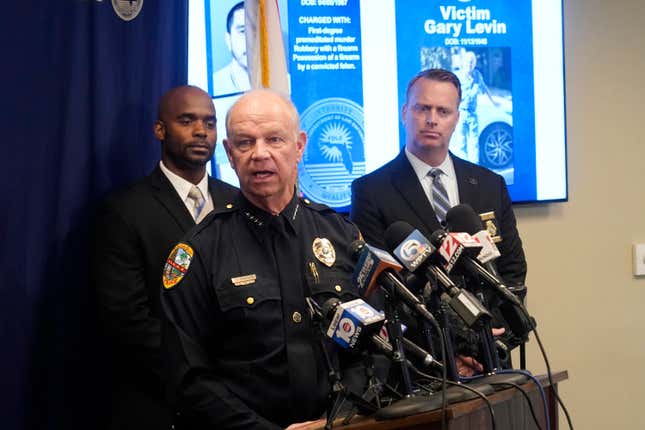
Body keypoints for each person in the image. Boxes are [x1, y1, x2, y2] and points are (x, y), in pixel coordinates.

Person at [160, 89, 365, 429]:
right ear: (228, 152)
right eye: (244, 143)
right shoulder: (200, 251)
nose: (259, 154)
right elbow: (189, 378)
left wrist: (338, 421)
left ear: (299, 146)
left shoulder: (343, 236)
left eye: (274, 140)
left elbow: (375, 345)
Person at [350, 69, 526, 373]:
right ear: (406, 113)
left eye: (443, 111)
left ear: (456, 118)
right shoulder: (371, 191)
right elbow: (381, 289)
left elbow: (511, 269)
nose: (432, 119)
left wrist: (489, 337)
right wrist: (447, 351)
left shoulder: (489, 184)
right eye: (423, 108)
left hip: (492, 357)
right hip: (424, 367)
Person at [92, 85, 239, 430]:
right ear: (160, 129)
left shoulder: (237, 202)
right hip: (163, 398)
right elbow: (126, 319)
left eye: (209, 122)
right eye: (187, 120)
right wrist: (203, 368)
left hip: (242, 394)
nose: (201, 131)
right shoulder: (125, 210)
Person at [453, 50, 500, 163]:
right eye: (468, 62)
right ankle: (463, 171)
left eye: (472, 62)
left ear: (474, 63)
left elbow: (484, 88)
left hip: (473, 114)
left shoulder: (477, 75)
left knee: (474, 144)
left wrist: (493, 101)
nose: (469, 64)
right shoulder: (458, 77)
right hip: (461, 114)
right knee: (461, 144)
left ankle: (474, 170)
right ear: (463, 63)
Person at [212, 2, 251, 96]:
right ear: (228, 40)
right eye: (243, 31)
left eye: (257, 31)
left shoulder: (286, 82)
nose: (250, 40)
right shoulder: (214, 85)